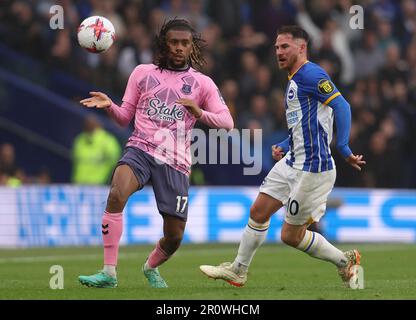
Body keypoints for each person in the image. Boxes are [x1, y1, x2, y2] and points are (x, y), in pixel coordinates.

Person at [200, 25, 366, 289]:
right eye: (277, 47)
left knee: (290, 235)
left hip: (313, 168)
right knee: (258, 211)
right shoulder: (294, 79)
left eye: (285, 46)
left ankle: (343, 260)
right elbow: (305, 126)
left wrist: (344, 147)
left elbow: (342, 105)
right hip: (292, 162)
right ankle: (238, 270)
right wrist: (285, 145)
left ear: (302, 47)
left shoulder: (312, 74)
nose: (279, 52)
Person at [78, 18, 234, 288]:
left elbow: (228, 123)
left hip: (176, 160)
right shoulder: (142, 73)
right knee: (116, 195)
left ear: (191, 47)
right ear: (164, 43)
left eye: (184, 43)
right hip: (141, 147)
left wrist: (199, 112)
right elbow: (124, 117)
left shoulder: (202, 83)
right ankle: (108, 273)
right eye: (174, 42)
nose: (178, 48)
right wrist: (110, 106)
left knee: (174, 236)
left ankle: (151, 266)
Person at [72, 115, 121, 185]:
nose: (90, 124)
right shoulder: (80, 139)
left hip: (98, 185)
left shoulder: (108, 141)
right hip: (78, 183)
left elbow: (115, 161)